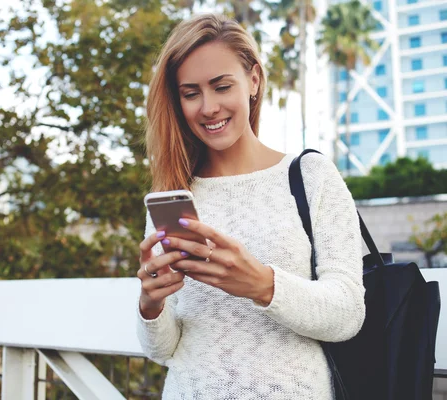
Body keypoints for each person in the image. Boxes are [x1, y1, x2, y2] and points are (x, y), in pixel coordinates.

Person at [136, 13, 365, 399]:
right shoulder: (175, 195)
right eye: (191, 93)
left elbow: (348, 314)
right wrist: (151, 305)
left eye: (221, 86)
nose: (208, 107)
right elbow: (163, 351)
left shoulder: (310, 175)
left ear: (253, 80)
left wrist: (262, 284)